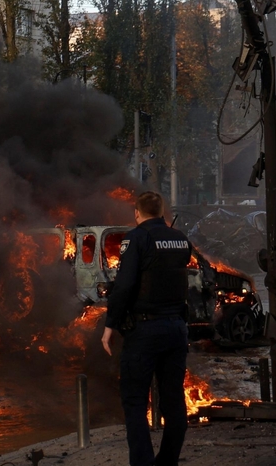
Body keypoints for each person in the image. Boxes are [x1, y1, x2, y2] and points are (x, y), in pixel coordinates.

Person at [101, 191, 193, 466]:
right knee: (173, 401)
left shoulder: (137, 238)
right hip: (176, 328)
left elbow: (125, 285)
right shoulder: (181, 239)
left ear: (137, 213)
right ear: (163, 212)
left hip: (144, 330)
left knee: (135, 402)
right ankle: (167, 461)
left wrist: (110, 325)